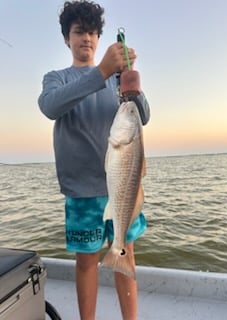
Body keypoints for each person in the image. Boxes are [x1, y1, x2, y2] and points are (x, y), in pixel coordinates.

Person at [38, 1, 150, 319]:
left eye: (91, 32)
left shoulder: (118, 80)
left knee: (126, 252)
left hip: (124, 185)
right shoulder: (56, 78)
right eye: (78, 32)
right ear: (66, 38)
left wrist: (133, 86)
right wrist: (101, 71)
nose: (85, 38)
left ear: (99, 37)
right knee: (86, 261)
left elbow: (144, 116)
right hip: (81, 191)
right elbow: (50, 107)